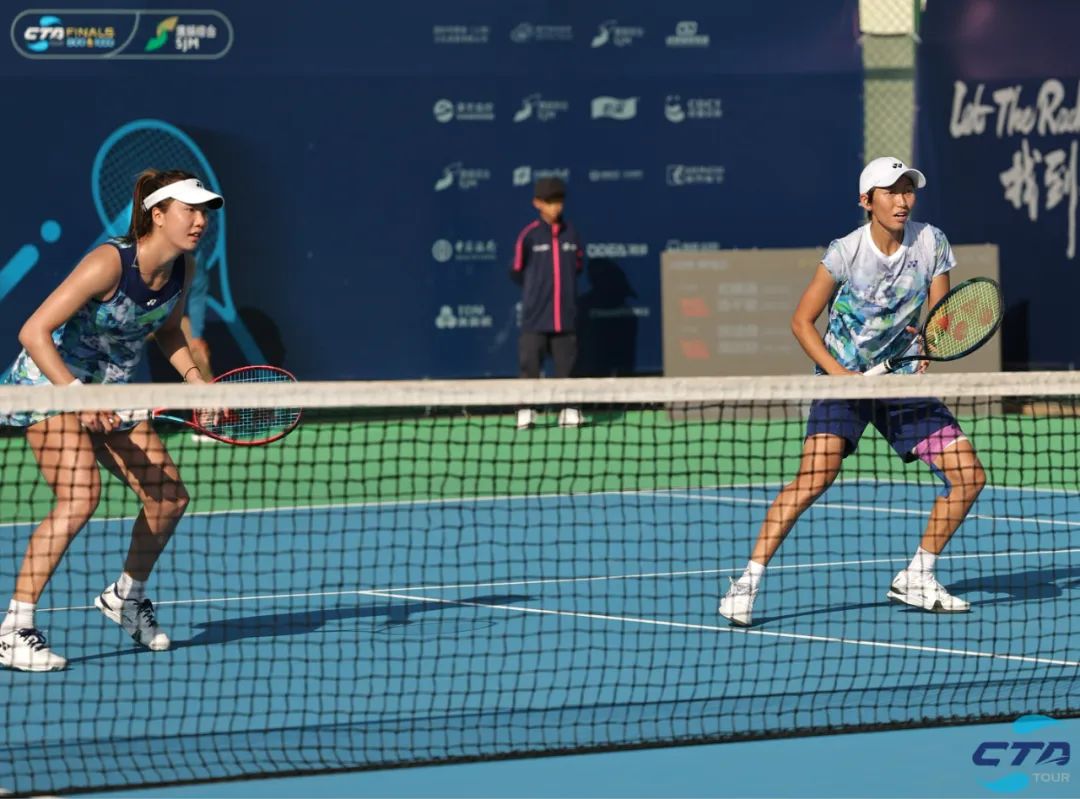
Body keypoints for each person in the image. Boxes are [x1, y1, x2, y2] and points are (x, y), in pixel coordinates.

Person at [718, 156, 987, 627]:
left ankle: (918, 575)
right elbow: (801, 321)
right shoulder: (845, 252)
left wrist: (932, 338)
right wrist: (839, 375)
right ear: (867, 201)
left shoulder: (931, 242)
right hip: (842, 379)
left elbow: (941, 316)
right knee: (814, 478)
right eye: (891, 191)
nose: (902, 200)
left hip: (900, 384)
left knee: (969, 476)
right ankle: (746, 583)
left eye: (908, 190)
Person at [0, 169, 223, 671]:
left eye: (204, 212)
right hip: (50, 382)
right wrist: (77, 398)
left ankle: (126, 596)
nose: (200, 221)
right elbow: (33, 331)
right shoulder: (108, 263)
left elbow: (169, 331)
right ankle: (13, 630)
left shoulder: (183, 269)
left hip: (111, 391)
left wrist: (196, 381)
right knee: (81, 495)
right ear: (157, 214)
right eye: (189, 210)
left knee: (169, 498)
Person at [510, 176, 585, 429]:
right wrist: (537, 294)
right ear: (538, 203)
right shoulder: (529, 236)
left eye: (559, 201)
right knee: (529, 367)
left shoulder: (572, 233)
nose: (556, 207)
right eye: (551, 201)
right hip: (535, 318)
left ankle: (569, 409)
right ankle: (526, 411)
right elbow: (517, 270)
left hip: (565, 317)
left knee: (568, 369)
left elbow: (577, 266)